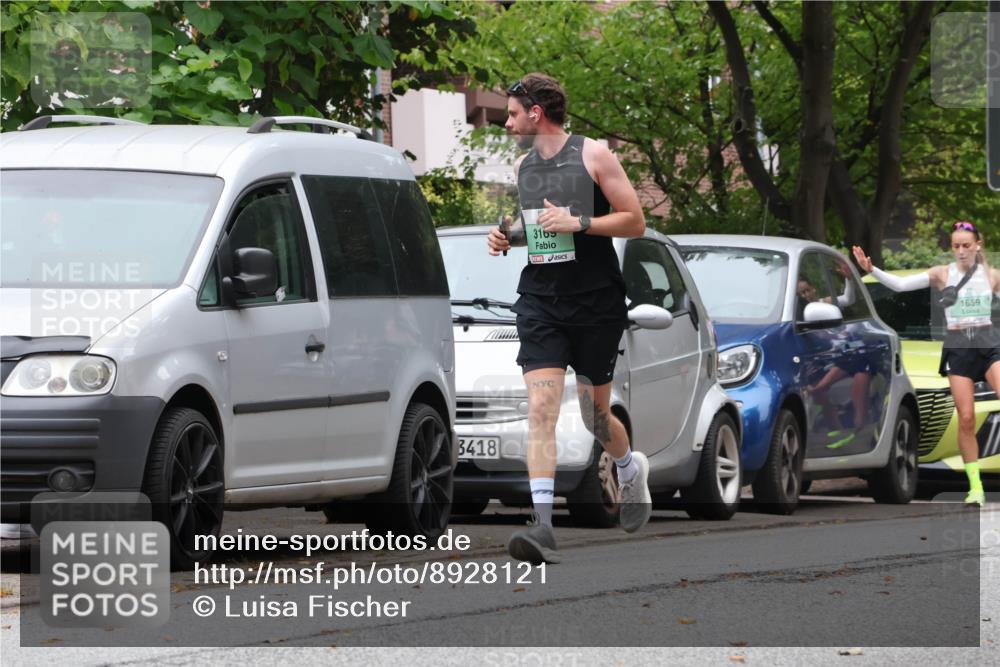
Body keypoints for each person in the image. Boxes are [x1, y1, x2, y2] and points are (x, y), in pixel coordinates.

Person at [486, 73, 648, 564]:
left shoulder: (593, 154)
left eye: (513, 113)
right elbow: (541, 230)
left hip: (595, 301)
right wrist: (507, 237)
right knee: (541, 412)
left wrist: (582, 223)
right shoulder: (522, 166)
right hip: (541, 301)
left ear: (536, 112)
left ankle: (628, 467)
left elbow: (635, 221)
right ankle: (542, 526)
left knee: (595, 417)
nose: (508, 122)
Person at [854, 220, 998, 507]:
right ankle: (976, 487)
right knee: (966, 417)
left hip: (989, 344)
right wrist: (872, 270)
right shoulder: (942, 274)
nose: (960, 251)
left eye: (966, 246)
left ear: (977, 246)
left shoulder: (992, 276)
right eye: (956, 246)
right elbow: (902, 285)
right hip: (959, 349)